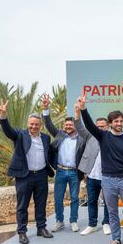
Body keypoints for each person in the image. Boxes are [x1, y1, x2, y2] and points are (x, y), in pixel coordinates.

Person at [78, 94, 123, 244]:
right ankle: (116, 239)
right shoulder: (103, 136)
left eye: (121, 121)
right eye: (116, 121)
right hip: (107, 180)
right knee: (112, 212)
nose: (119, 123)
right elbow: (89, 125)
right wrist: (83, 109)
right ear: (110, 123)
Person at [0, 100, 54, 244]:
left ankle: (41, 228)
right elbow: (8, 131)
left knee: (41, 203)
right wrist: (3, 116)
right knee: (22, 205)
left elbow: (49, 154)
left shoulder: (46, 138)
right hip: (25, 176)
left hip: (41, 175)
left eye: (36, 124)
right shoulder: (20, 135)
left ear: (40, 125)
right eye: (31, 124)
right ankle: (22, 232)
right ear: (28, 124)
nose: (33, 127)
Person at [41, 94, 86, 233]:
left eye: (70, 124)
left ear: (75, 126)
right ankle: (59, 221)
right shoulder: (59, 134)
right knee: (58, 198)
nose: (68, 126)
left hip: (74, 172)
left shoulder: (81, 139)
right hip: (60, 171)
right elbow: (48, 124)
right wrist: (46, 108)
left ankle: (73, 221)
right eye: (66, 124)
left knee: (74, 198)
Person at [74, 105, 111, 236]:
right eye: (98, 126)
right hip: (91, 175)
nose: (100, 128)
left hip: (107, 176)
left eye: (102, 126)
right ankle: (92, 224)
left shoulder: (111, 138)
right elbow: (79, 127)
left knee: (108, 201)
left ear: (107, 127)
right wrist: (77, 114)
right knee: (91, 200)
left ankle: (106, 223)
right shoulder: (89, 136)